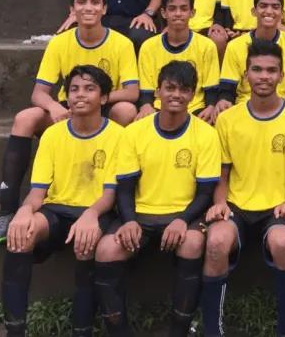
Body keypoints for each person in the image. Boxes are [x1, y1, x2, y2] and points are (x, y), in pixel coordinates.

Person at [0, 0, 139, 244]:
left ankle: (117, 198)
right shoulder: (59, 43)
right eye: (81, 2)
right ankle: (7, 210)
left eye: (95, 2)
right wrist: (56, 105)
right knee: (25, 118)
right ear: (72, 9)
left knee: (126, 111)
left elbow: (132, 92)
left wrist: (94, 100)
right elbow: (39, 93)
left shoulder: (121, 43)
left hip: (102, 112)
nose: (88, 8)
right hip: (66, 112)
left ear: (104, 9)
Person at [94, 61, 221, 337]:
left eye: (184, 90)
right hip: (140, 214)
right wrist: (129, 221)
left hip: (184, 213)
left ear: (193, 94)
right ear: (158, 91)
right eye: (170, 88)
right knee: (106, 250)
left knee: (192, 243)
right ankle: (120, 332)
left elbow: (205, 192)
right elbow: (125, 187)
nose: (176, 95)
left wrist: (183, 220)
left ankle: (178, 329)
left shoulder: (206, 134)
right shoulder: (134, 132)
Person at [203, 41, 285, 337]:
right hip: (237, 204)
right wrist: (220, 203)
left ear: (281, 75)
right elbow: (222, 173)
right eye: (257, 69)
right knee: (215, 243)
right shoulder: (228, 119)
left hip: (279, 205)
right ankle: (213, 331)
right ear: (245, 75)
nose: (264, 76)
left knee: (282, 243)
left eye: (271, 70)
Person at [1, 65, 124, 337]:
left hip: (96, 211)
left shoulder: (118, 135)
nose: (80, 95)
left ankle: (82, 330)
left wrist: (90, 215)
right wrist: (24, 211)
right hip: (57, 209)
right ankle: (15, 330)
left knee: (86, 243)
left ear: (104, 98)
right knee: (21, 234)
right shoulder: (53, 134)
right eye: (74, 89)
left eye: (89, 89)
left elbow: (110, 194)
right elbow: (37, 193)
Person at [215, 0, 285, 121]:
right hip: (244, 110)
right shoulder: (234, 46)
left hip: (284, 109)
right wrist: (223, 101)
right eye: (263, 6)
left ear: (282, 14)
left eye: (275, 7)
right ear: (254, 11)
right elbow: (227, 90)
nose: (269, 11)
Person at [136, 0, 220, 121]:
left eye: (184, 9)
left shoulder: (207, 46)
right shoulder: (148, 47)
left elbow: (211, 88)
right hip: (159, 108)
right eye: (172, 9)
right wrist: (146, 105)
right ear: (163, 13)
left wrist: (210, 106)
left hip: (196, 108)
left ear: (192, 13)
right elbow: (146, 90)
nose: (178, 13)